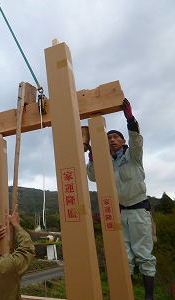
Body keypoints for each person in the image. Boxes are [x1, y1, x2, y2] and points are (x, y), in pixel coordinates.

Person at [86, 98, 156, 300]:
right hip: (119, 213)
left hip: (138, 211)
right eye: (108, 139)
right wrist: (92, 159)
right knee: (125, 257)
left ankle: (149, 296)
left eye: (116, 137)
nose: (112, 140)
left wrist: (131, 120)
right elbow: (92, 176)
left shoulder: (133, 156)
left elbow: (137, 140)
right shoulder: (106, 162)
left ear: (123, 141)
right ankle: (127, 294)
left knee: (144, 255)